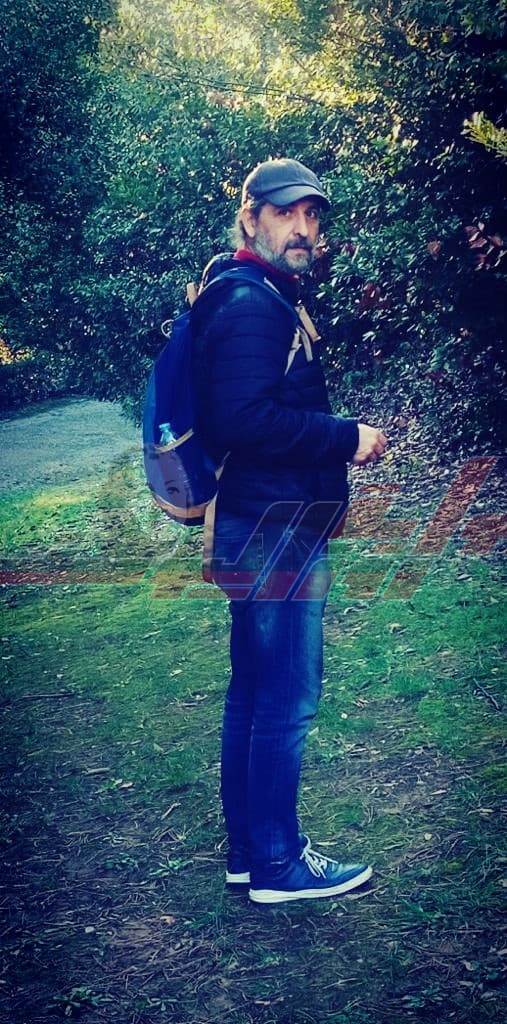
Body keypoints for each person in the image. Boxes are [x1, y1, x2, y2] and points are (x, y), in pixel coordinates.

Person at [190, 158, 387, 904]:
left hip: (264, 520)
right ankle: (276, 862)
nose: (303, 228)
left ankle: (251, 854)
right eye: (285, 213)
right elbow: (242, 420)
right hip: (272, 527)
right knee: (285, 697)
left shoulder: (257, 292)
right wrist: (345, 436)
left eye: (311, 215)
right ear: (250, 219)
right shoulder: (251, 303)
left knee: (254, 690)